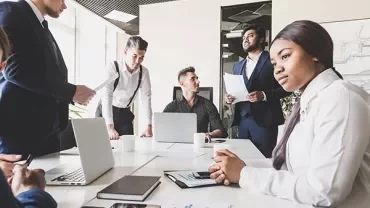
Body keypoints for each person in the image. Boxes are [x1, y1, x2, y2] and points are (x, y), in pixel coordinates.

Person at [209, 20, 370, 207]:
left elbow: (324, 191)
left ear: (315, 53)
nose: (277, 69)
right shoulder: (308, 101)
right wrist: (239, 165)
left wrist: (244, 173)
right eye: (274, 62)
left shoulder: (340, 98)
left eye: (285, 56)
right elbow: (285, 167)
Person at [0, 0, 96, 158]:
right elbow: (13, 70)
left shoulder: (40, 24)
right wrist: (71, 91)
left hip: (47, 133)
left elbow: (45, 74)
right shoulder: (11, 11)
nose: (65, 5)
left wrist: (72, 94)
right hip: (21, 133)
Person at [225, 25, 291, 158]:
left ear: (261, 39)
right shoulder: (237, 66)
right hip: (243, 121)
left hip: (266, 121)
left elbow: (287, 88)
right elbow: (236, 90)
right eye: (243, 37)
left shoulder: (272, 60)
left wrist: (264, 95)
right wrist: (229, 98)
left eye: (250, 36)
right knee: (243, 160)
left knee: (264, 161)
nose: (245, 40)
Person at [101, 36, 153, 140]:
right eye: (135, 56)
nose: (138, 61)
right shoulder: (112, 68)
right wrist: (110, 127)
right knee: (103, 149)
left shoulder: (144, 72)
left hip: (125, 114)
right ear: (125, 52)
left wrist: (149, 126)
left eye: (141, 57)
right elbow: (106, 97)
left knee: (128, 149)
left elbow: (146, 98)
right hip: (106, 112)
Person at [163, 67, 227, 138]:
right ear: (182, 83)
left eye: (197, 78)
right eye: (193, 79)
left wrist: (209, 135)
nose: (198, 81)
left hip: (201, 145)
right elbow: (162, 129)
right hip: (177, 145)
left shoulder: (208, 104)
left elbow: (220, 130)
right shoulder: (172, 107)